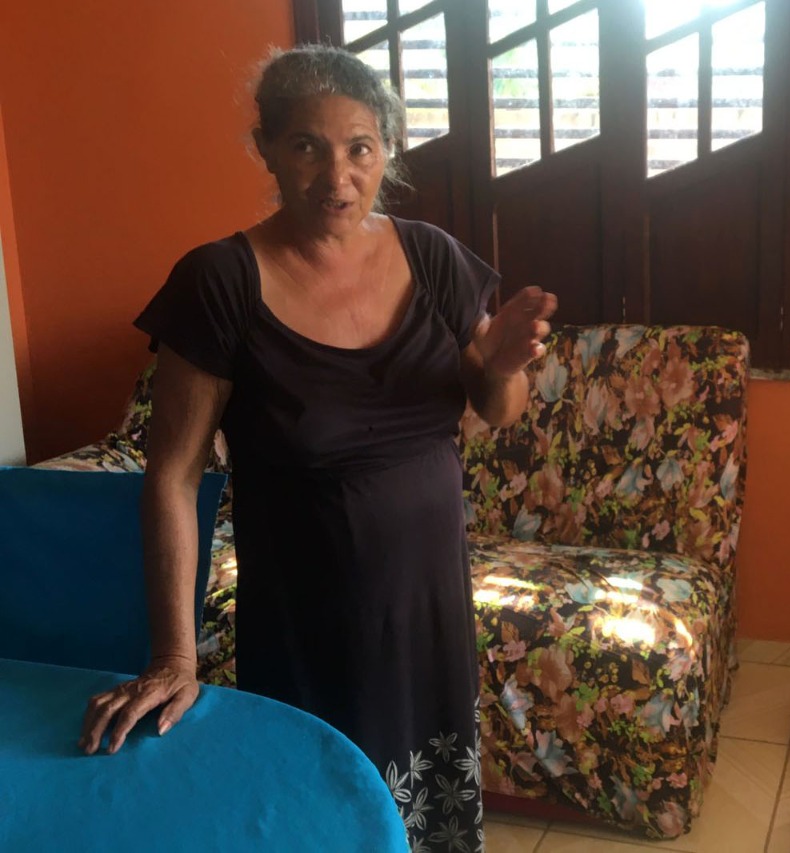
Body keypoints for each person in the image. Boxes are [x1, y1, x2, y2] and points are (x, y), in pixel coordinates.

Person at [77, 44, 555, 852]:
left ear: (387, 151)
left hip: (429, 610)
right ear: (265, 147)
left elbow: (496, 407)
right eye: (307, 145)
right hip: (308, 619)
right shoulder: (221, 282)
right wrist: (173, 656)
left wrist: (505, 365)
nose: (338, 175)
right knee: (317, 815)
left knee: (428, 816)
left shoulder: (433, 257)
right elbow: (172, 476)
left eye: (360, 148)